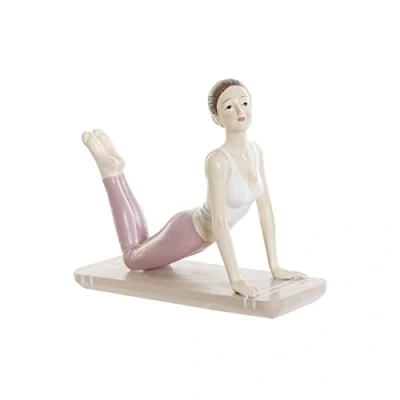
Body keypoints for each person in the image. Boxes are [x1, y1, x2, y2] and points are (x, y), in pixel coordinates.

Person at [82, 78, 307, 298]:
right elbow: (220, 223)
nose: (241, 110)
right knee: (132, 258)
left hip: (200, 236)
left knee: (142, 248)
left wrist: (275, 267)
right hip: (188, 233)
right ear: (217, 118)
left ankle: (115, 168)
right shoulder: (218, 161)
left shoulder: (256, 152)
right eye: (229, 106)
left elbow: (265, 210)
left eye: (245, 102)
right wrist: (235, 279)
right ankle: (110, 172)